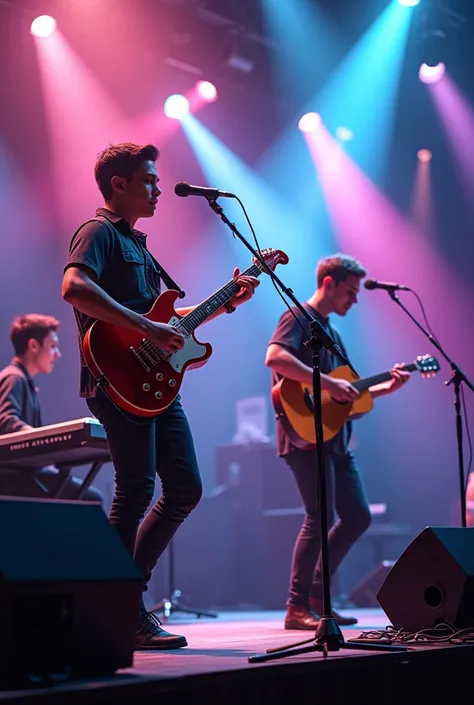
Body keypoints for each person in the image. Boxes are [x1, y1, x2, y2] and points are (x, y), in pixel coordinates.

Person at [61, 142, 259, 650]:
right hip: (117, 376)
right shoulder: (98, 232)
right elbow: (75, 288)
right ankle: (118, 607)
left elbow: (172, 321)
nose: (157, 189)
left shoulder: (140, 245)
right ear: (118, 185)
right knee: (134, 490)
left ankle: (126, 596)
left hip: (156, 382)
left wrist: (225, 302)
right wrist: (145, 327)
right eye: (148, 180)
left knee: (186, 488)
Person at [265, 254, 411, 630]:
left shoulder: (333, 333)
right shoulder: (298, 317)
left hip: (336, 441)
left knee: (357, 516)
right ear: (328, 284)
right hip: (303, 437)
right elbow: (275, 358)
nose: (355, 299)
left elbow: (347, 401)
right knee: (319, 517)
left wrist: (385, 389)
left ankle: (318, 597)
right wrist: (329, 383)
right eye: (350, 291)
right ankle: (296, 607)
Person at [0, 314, 103, 503]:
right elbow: (8, 422)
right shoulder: (14, 378)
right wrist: (43, 442)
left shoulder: (22, 381)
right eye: (53, 346)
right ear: (33, 346)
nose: (58, 354)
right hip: (15, 475)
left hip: (25, 471)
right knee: (93, 498)